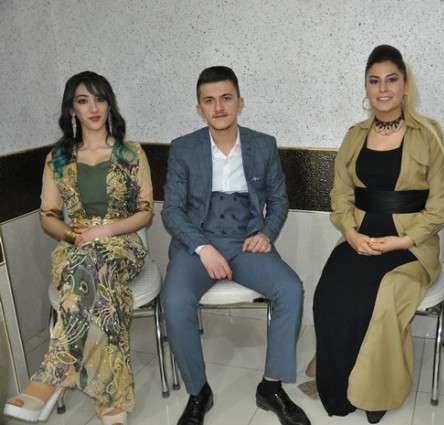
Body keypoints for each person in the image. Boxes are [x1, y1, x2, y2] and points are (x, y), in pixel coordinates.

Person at [161, 66, 310, 425]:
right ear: (199, 108)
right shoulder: (183, 148)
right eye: (209, 100)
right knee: (175, 300)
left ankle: (270, 387)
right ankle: (199, 392)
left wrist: (266, 234)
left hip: (246, 241)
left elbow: (279, 200)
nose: (219, 107)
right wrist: (202, 248)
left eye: (226, 98)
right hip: (199, 243)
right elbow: (172, 211)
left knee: (290, 289)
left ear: (240, 102)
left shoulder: (263, 144)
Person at [312, 45, 444, 424]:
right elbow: (340, 193)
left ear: (405, 85)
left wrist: (402, 241)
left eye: (391, 79)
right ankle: (338, 388)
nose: (383, 88)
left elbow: (441, 206)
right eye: (374, 81)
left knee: (383, 296)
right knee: (329, 293)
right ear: (366, 88)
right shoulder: (354, 136)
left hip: (411, 246)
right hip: (361, 237)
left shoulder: (429, 134)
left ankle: (376, 392)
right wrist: (350, 233)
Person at [3, 71, 153, 425]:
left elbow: (145, 212)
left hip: (123, 242)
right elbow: (49, 215)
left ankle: (50, 378)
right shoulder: (58, 157)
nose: (93, 108)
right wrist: (75, 237)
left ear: (109, 104)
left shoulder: (131, 153)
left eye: (100, 99)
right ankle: (112, 399)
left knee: (89, 266)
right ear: (72, 109)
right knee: (98, 284)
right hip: (76, 244)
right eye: (83, 101)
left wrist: (106, 230)